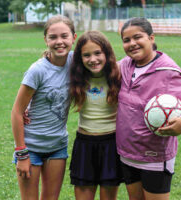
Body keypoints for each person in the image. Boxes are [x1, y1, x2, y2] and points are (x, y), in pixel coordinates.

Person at [116, 17, 181, 200]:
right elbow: (97, 67)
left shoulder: (168, 71)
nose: (132, 43)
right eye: (126, 40)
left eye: (137, 37)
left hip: (154, 156)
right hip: (127, 153)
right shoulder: (124, 65)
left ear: (151, 38)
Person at [11, 15, 77, 200]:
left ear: (74, 37)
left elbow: (103, 63)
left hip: (57, 146)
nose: (59, 42)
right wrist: (22, 153)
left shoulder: (76, 62)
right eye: (53, 37)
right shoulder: (37, 71)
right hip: (30, 148)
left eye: (64, 36)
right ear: (45, 40)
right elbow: (17, 111)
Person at [69, 31, 122, 200]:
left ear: (107, 53)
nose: (93, 59)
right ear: (80, 58)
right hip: (84, 144)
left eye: (98, 53)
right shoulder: (76, 76)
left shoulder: (119, 74)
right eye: (86, 55)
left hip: (111, 144)